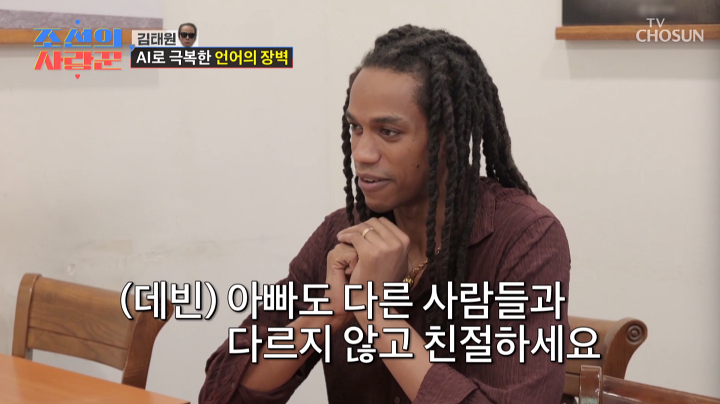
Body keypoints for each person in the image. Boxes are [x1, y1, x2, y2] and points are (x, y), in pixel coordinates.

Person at [198, 24, 571, 404]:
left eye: (388, 132)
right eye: (356, 128)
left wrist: (375, 313)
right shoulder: (343, 232)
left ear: (447, 138)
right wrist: (329, 313)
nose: (361, 152)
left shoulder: (526, 237)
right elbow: (221, 393)